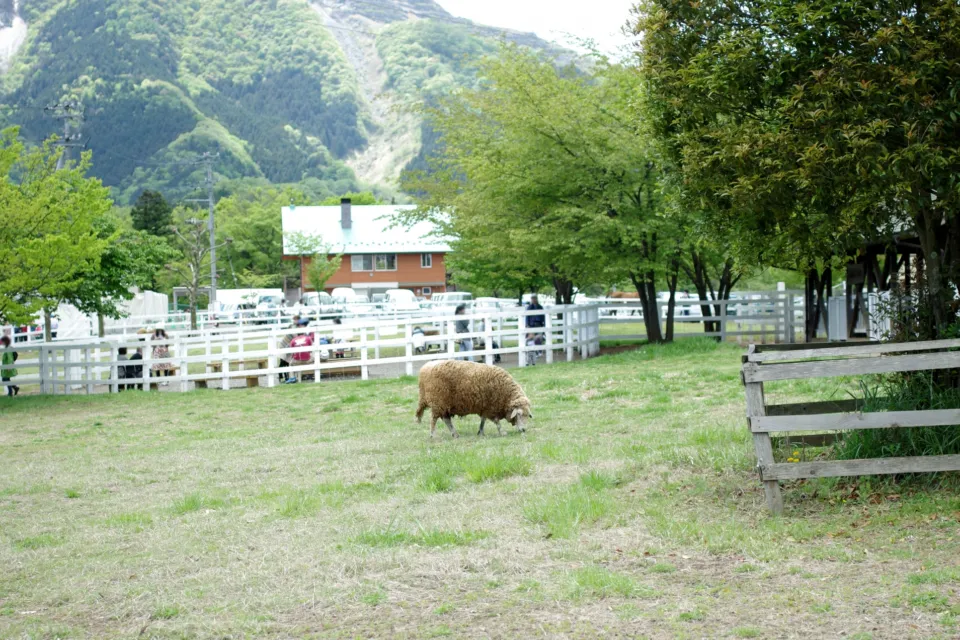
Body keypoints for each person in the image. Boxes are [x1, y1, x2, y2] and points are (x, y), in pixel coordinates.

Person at [525, 294, 546, 366]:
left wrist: (543, 324)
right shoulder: (529, 307)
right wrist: (527, 325)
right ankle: (533, 352)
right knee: (531, 338)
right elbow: (527, 317)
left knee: (539, 338)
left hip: (539, 324)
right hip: (531, 325)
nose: (534, 300)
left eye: (535, 298)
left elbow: (543, 316)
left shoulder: (540, 307)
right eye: (532, 298)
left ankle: (539, 351)